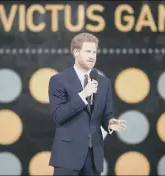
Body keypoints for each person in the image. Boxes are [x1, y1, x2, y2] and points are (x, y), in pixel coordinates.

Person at [48, 33, 127, 176]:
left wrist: (109, 122)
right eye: (88, 51)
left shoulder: (104, 82)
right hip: (67, 156)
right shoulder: (59, 80)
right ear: (76, 52)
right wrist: (83, 95)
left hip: (93, 157)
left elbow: (105, 113)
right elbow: (58, 115)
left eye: (94, 52)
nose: (92, 56)